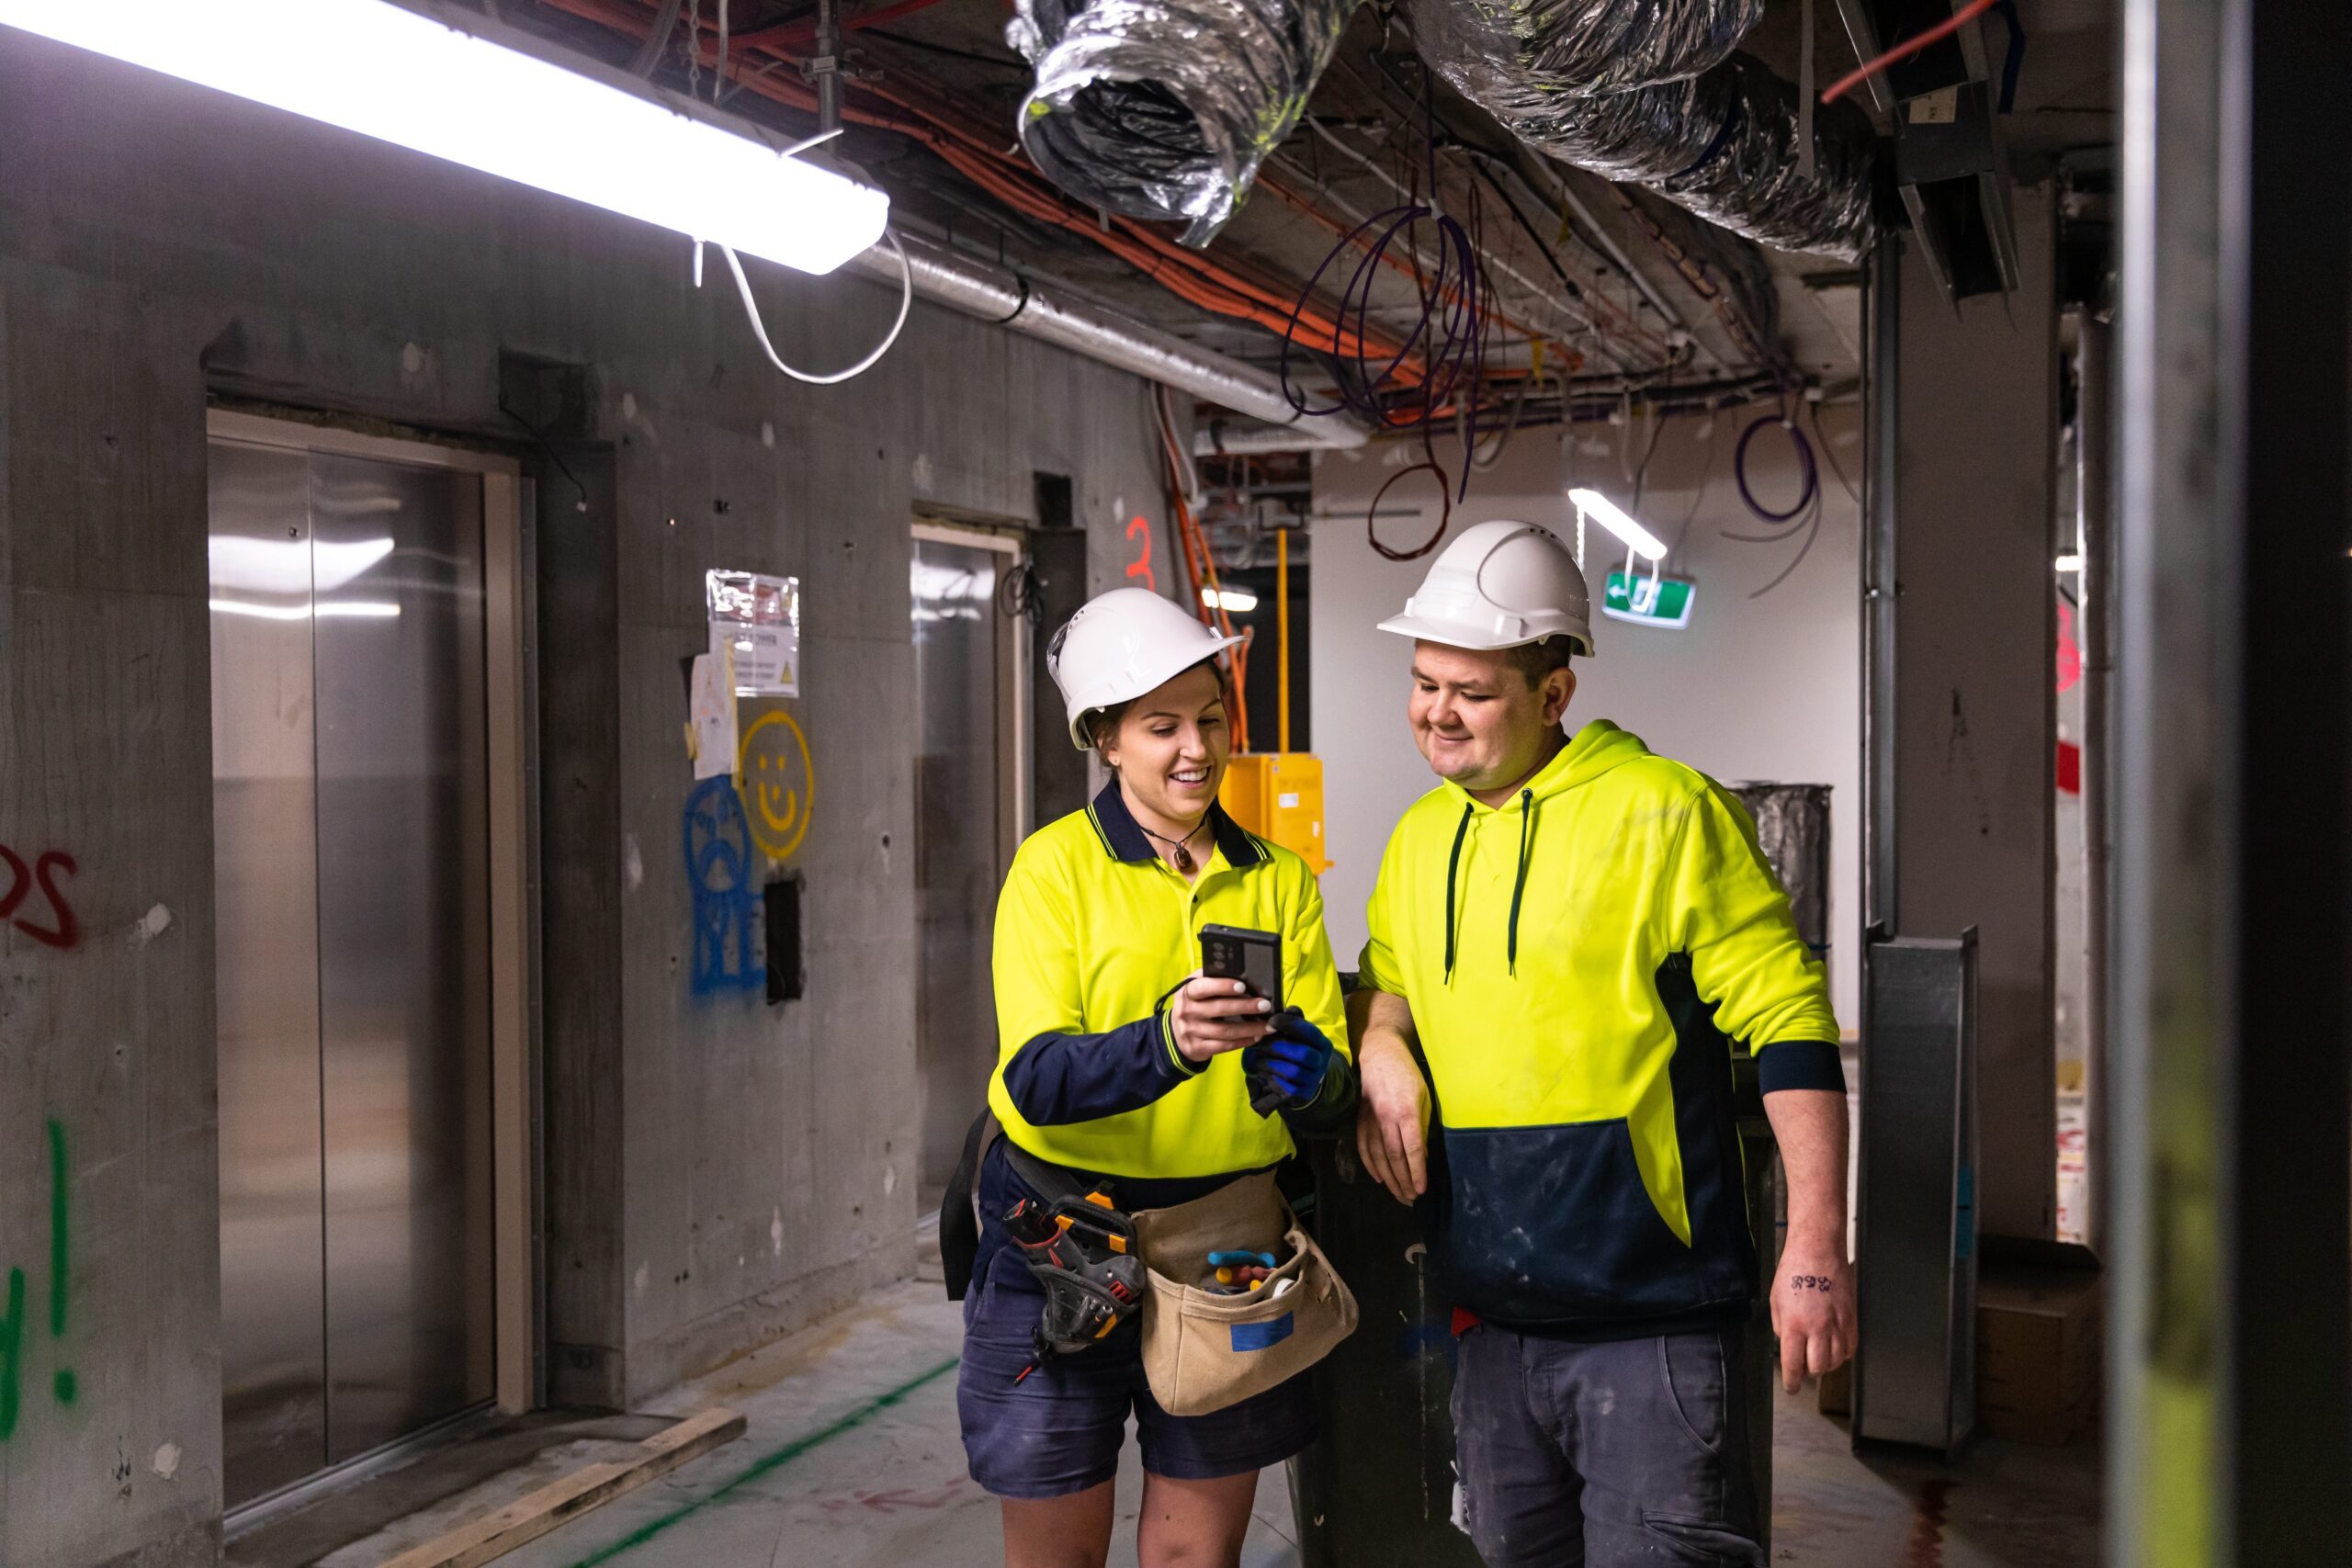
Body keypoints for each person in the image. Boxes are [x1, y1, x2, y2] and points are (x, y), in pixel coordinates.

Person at [1350, 520, 1853, 1568]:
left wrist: (1813, 1250)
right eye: (1423, 681)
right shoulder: (1418, 839)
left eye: (1472, 691)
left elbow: (1789, 1022)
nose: (1437, 713)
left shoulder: (1664, 812)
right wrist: (1382, 1043)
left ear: (1551, 694)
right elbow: (1389, 980)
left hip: (1651, 1329)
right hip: (1489, 1323)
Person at [956, 586, 1354, 1568]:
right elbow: (1038, 1078)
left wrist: (1311, 1081)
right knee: (1056, 1555)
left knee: (1193, 1560)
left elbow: (1333, 1090)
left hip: (1227, 1246)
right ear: (1105, 739)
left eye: (1211, 719)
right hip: (1064, 1236)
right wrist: (1168, 1042)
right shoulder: (1053, 872)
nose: (1196, 748)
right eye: (1161, 725)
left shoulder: (1278, 879)